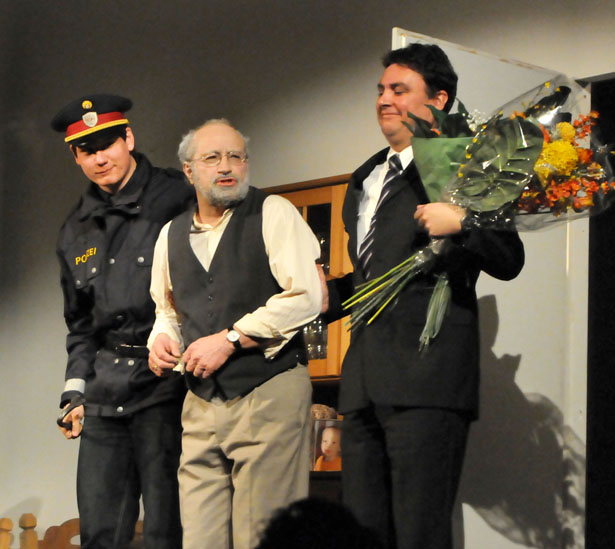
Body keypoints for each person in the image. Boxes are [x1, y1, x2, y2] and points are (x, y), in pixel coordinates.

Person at [322, 44, 525, 548]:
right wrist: (321, 297)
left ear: (439, 99)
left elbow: (509, 257)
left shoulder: (466, 165)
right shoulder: (365, 176)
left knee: (420, 535)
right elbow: (374, 278)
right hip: (363, 383)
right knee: (363, 534)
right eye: (381, 90)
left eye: (399, 89)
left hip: (427, 380)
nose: (384, 99)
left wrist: (464, 222)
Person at [147, 119, 323, 549]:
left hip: (267, 388)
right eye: (212, 158)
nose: (226, 166)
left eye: (236, 157)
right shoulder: (171, 234)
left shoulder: (272, 212)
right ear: (189, 170)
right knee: (200, 537)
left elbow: (307, 296)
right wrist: (162, 339)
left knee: (263, 535)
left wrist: (230, 339)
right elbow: (167, 310)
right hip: (201, 399)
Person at [52, 94, 194, 548]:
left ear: (128, 139)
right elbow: (80, 325)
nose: (99, 158)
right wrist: (74, 390)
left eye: (107, 144)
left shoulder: (178, 196)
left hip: (167, 384)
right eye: (86, 150)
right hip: (104, 392)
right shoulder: (75, 229)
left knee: (167, 529)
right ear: (75, 157)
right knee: (99, 532)